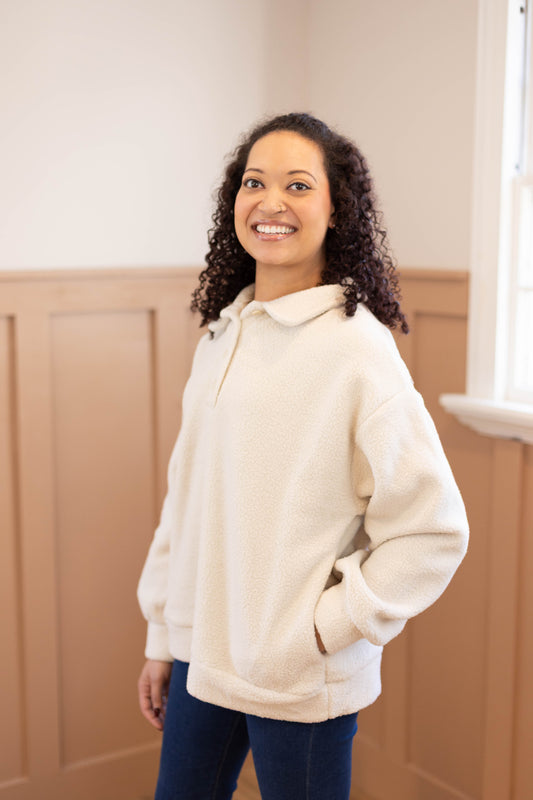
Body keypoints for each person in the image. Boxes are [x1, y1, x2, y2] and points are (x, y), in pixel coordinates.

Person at [137, 112, 469, 800]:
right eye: (254, 182)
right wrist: (162, 634)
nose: (270, 202)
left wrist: (324, 630)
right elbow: (187, 498)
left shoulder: (356, 350)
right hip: (203, 656)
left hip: (297, 672)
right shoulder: (222, 334)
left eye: (296, 184)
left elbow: (432, 530)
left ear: (334, 210)